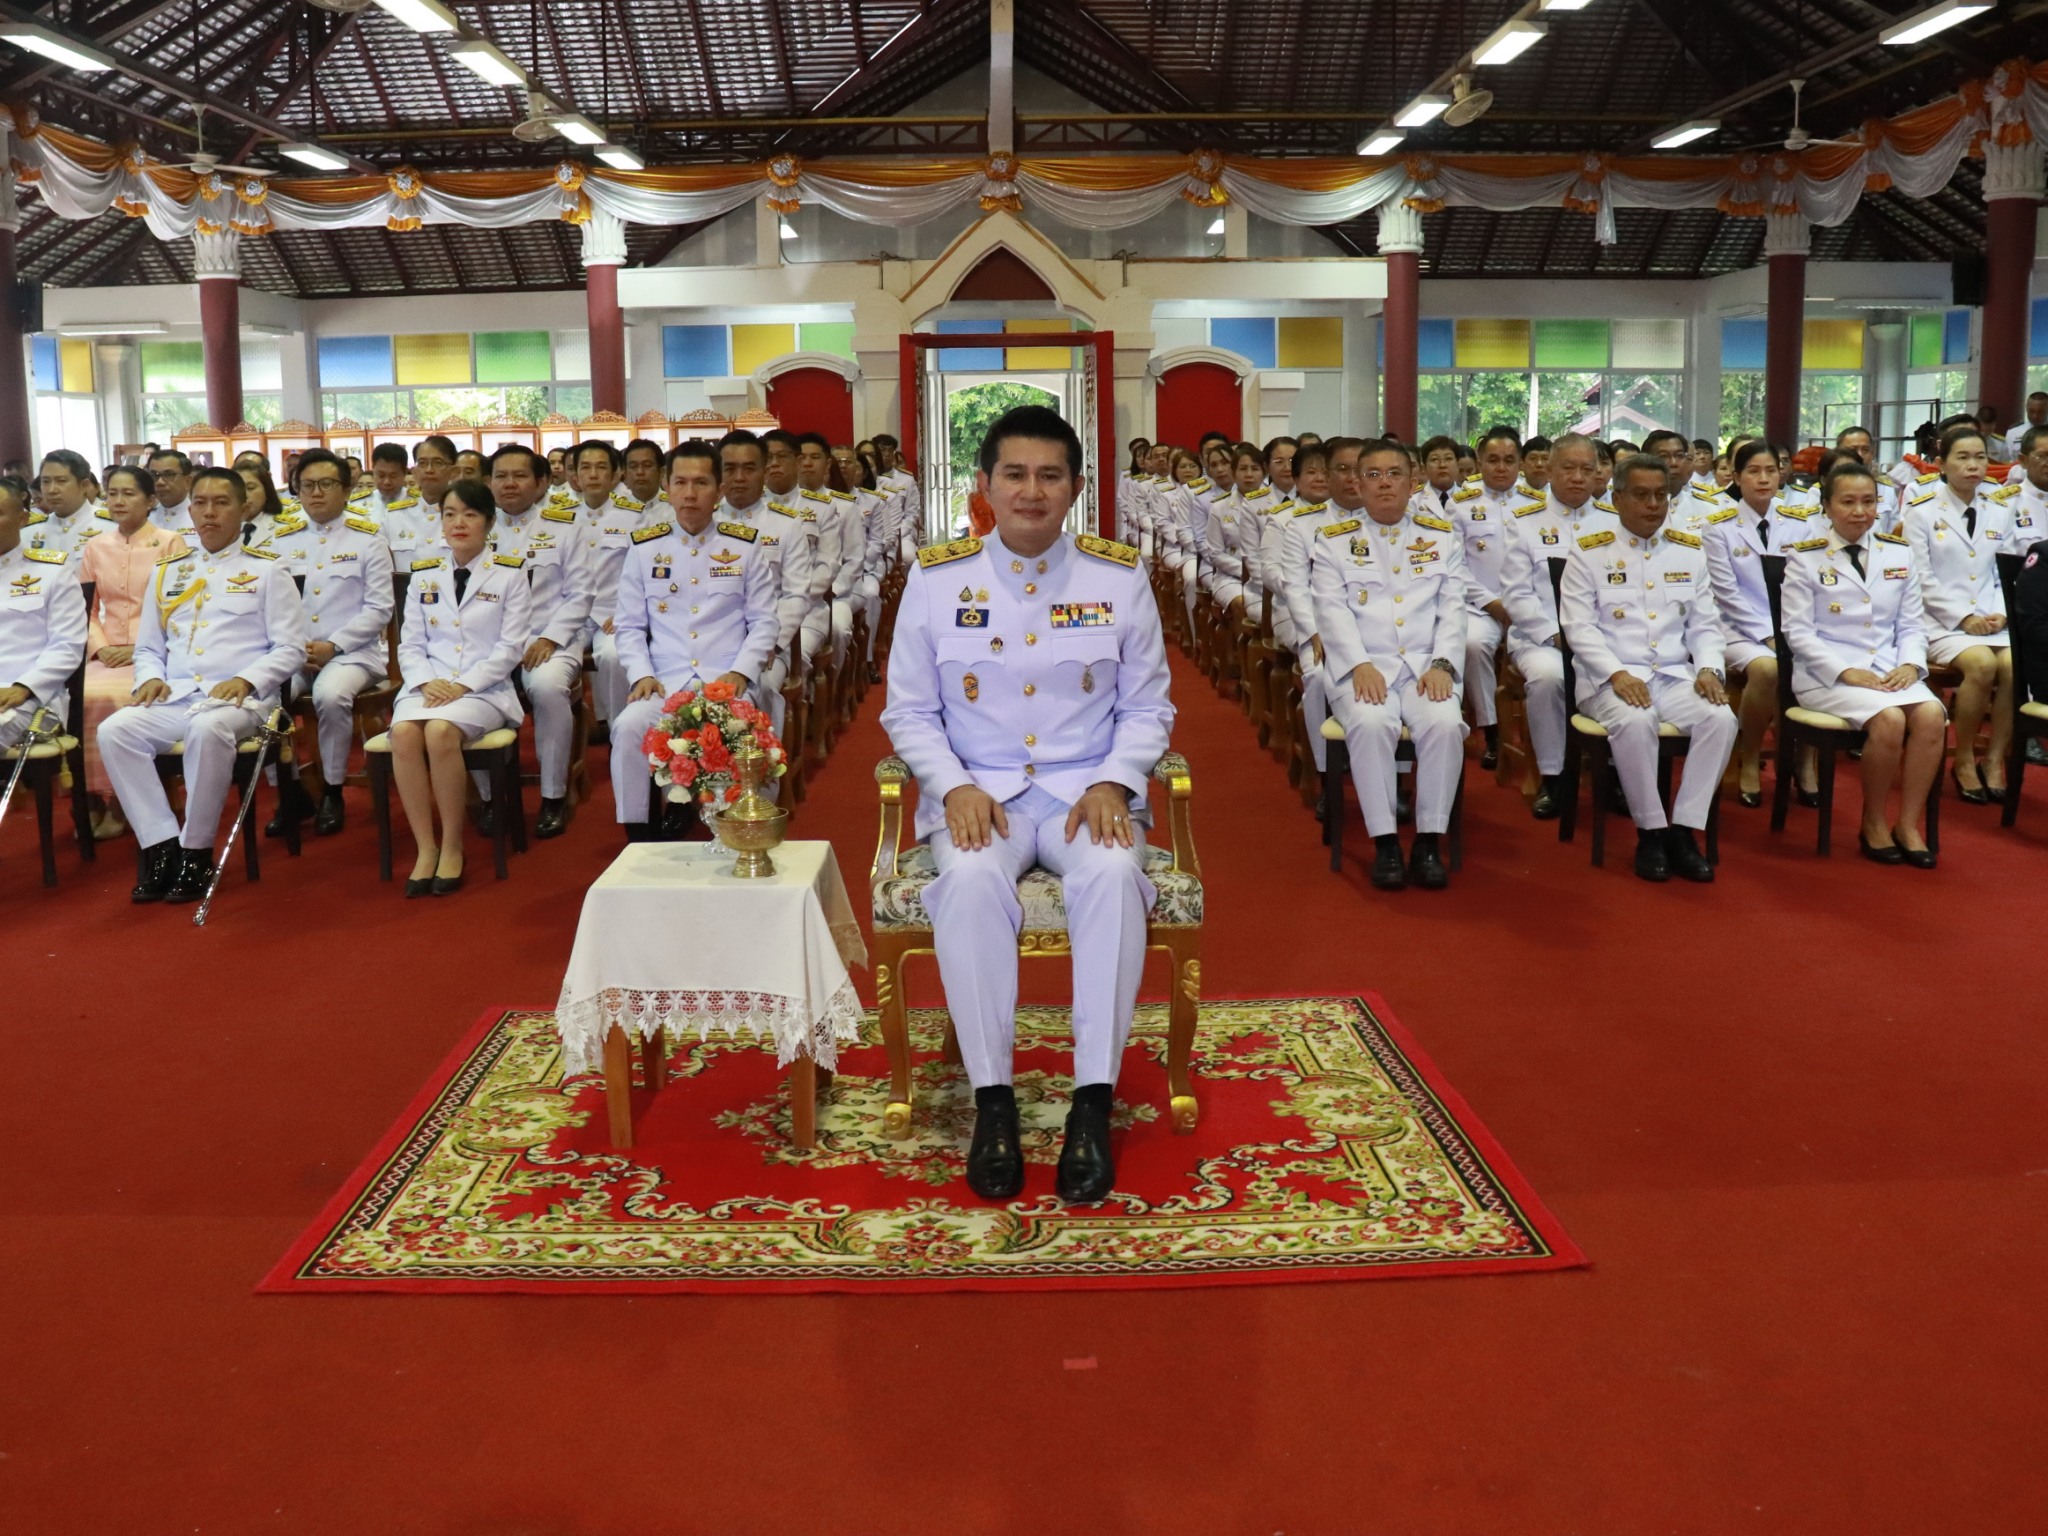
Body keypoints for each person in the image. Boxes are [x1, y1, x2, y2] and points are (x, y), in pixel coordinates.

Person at [880, 404, 1173, 1205]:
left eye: (1050, 475)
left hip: (1088, 793)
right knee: (971, 884)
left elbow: (1148, 707)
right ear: (984, 485)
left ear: (1075, 488)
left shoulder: (1118, 576)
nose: (1032, 491)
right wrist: (953, 785)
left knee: (1114, 878)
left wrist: (1115, 780)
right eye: (1015, 474)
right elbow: (908, 710)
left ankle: (1092, 1103)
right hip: (984, 797)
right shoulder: (939, 580)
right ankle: (993, 1103)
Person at [98, 468, 307, 904]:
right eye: (200, 503)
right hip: (178, 695)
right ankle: (161, 845)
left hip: (243, 699)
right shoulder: (169, 571)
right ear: (189, 509)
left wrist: (246, 679)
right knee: (114, 731)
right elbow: (149, 647)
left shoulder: (268, 571)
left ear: (243, 508)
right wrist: (150, 677)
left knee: (207, 730)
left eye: (221, 503)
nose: (209, 513)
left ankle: (196, 851)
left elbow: (290, 649)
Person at [1561, 453, 1734, 881]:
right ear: (1618, 498)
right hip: (1609, 678)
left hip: (1674, 675)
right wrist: (1616, 674)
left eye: (1661, 495)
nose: (1654, 504)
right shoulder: (1589, 551)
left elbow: (1706, 626)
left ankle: (1684, 829)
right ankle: (1651, 833)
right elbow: (1578, 628)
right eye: (1641, 495)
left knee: (1722, 719)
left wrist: (1710, 668)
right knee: (1636, 722)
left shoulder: (1689, 552)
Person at [1312, 437, 1467, 890]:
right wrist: (1358, 665)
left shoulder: (1440, 538)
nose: (1384, 485)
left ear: (1413, 480)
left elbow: (1453, 609)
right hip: (1361, 667)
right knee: (1370, 722)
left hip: (1425, 667)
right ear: (1357, 484)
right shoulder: (1333, 541)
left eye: (1394, 474)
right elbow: (1331, 610)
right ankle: (1384, 843)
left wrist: (1442, 664)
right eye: (1373, 475)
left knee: (1443, 723)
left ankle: (1427, 840)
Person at [610, 441, 782, 837]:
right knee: (629, 725)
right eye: (681, 482)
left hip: (726, 681)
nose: (690, 494)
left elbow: (763, 622)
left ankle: (743, 822)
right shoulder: (644, 547)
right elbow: (630, 625)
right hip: (665, 681)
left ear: (719, 489)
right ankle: (639, 832)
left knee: (744, 728)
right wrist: (640, 675)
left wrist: (742, 671)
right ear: (666, 488)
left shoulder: (743, 545)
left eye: (701, 482)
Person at [1783, 464, 1944, 866]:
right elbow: (1798, 633)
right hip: (1827, 676)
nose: (1860, 511)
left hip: (1888, 670)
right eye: (1848, 502)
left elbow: (1911, 624)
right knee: (1889, 719)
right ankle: (1873, 821)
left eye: (1869, 501)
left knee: (1931, 714)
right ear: (1827, 507)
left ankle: (1907, 823)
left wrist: (1910, 664)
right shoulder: (1804, 558)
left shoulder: (1897, 552)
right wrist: (1844, 671)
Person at [387, 479, 530, 895]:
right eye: (450, 514)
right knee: (403, 734)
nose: (458, 523)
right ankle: (425, 847)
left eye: (469, 514)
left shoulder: (509, 575)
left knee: (440, 731)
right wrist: (427, 682)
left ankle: (452, 845)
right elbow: (409, 643)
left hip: (483, 691)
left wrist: (462, 686)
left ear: (488, 521)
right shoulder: (425, 575)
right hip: (426, 686)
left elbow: (510, 648)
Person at [270, 448, 394, 835]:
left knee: (329, 694)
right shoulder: (281, 540)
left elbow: (379, 609)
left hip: (355, 654)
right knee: (266, 695)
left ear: (347, 489)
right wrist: (294, 646)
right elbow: (271, 604)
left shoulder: (367, 539)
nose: (316, 493)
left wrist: (333, 646)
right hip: (296, 651)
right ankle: (290, 792)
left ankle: (332, 791)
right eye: (307, 486)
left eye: (326, 484)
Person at [1499, 432, 1620, 818]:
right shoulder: (1523, 522)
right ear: (1549, 470)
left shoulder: (1616, 522)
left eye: (1588, 469)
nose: (1578, 477)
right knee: (1550, 677)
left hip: (1603, 638)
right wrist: (1554, 635)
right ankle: (1554, 777)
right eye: (1568, 468)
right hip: (1541, 637)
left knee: (1623, 673)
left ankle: (1617, 773)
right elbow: (1516, 595)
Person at [1903, 425, 2020, 803]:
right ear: (1940, 464)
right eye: (1963, 458)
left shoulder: (2000, 509)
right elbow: (1919, 578)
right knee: (1982, 665)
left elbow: (2008, 573)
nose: (1973, 466)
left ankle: (1995, 757)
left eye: (1980, 457)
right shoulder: (1921, 512)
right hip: (1939, 622)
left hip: (1991, 619)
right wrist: (1962, 617)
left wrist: (2002, 613)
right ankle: (1965, 756)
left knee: (2018, 667)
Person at [1703, 440, 1820, 806]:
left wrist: (1792, 632)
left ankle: (1805, 761)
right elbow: (1726, 594)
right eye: (1753, 471)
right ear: (1736, 477)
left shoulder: (1801, 523)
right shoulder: (1717, 526)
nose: (1764, 478)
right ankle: (1750, 755)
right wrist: (1768, 635)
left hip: (1793, 625)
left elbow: (1808, 585)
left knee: (1819, 662)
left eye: (1770, 470)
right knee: (1768, 669)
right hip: (1738, 629)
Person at [483, 444, 591, 837]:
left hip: (549, 638)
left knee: (546, 688)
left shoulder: (564, 527)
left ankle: (552, 796)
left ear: (542, 482)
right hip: (488, 643)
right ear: (488, 482)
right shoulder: (475, 526)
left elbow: (580, 595)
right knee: (468, 691)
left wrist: (550, 637)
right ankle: (492, 797)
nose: (509, 484)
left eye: (520, 476)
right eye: (500, 476)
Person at [78, 465, 187, 839]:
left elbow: (179, 608)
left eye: (129, 494)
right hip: (107, 653)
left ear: (151, 500)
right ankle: (88, 797)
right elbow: (87, 609)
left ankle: (118, 802)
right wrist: (102, 647)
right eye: (112, 494)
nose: (119, 501)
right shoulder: (95, 546)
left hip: (154, 653)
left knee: (113, 694)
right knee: (73, 695)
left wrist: (138, 647)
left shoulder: (170, 542)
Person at [1446, 426, 1537, 770]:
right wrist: (1492, 604)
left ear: (1521, 465)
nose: (1501, 467)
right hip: (1481, 606)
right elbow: (1455, 567)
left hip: (1528, 608)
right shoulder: (1460, 505)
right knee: (1471, 645)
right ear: (1480, 462)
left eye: (1509, 461)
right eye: (1493, 460)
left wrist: (1521, 605)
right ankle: (1493, 730)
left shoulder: (1537, 505)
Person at [0, 475, 88, 783]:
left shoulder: (51, 572)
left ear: (23, 518)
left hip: (29, 696)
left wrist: (24, 687)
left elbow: (67, 645)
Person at [28, 450, 106, 559]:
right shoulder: (30, 531)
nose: (51, 490)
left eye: (61, 481)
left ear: (84, 485)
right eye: (45, 481)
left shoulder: (111, 527)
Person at [148, 449, 196, 536]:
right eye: (154, 475)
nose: (160, 482)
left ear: (187, 481)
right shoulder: (144, 519)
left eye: (169, 475)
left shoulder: (199, 517)